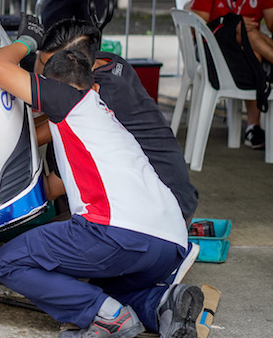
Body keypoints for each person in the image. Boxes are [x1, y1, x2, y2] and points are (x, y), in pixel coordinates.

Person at [0, 16, 204, 338]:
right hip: (170, 241)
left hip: (118, 232)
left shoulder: (64, 99)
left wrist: (27, 41)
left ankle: (105, 318)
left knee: (10, 261)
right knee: (106, 289)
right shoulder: (101, 111)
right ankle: (164, 303)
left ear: (50, 86)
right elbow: (44, 153)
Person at [35, 19, 199, 221]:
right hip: (174, 197)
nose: (43, 74)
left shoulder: (99, 98)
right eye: (41, 61)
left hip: (165, 212)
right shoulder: (107, 62)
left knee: (38, 233)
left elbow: (48, 186)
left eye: (50, 66)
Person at [191, 0, 273, 149]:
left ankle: (253, 127)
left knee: (249, 38)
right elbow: (196, 29)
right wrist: (232, 27)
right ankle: (253, 126)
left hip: (250, 52)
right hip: (212, 52)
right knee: (245, 31)